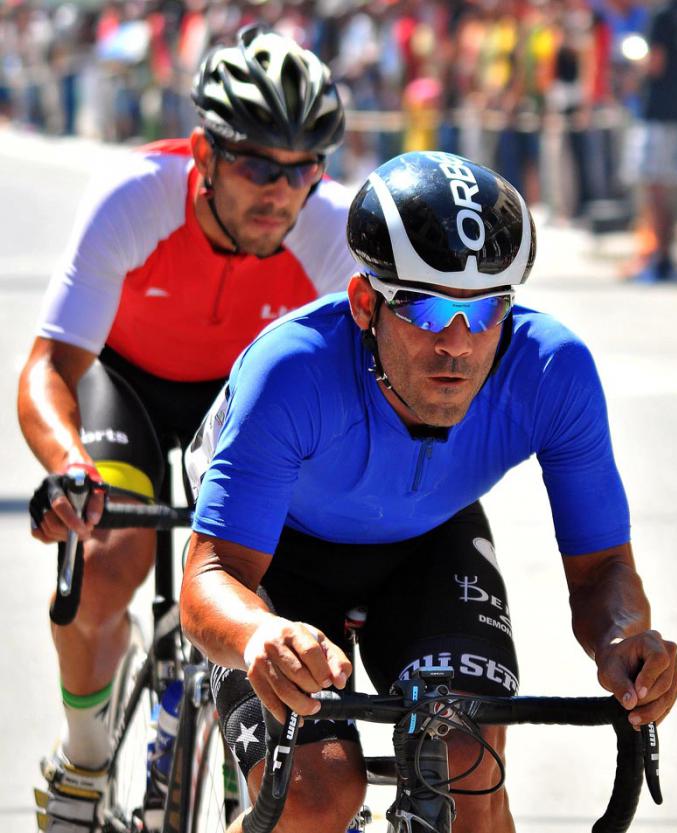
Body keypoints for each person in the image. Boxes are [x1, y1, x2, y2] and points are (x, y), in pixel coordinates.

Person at [181, 150, 677, 833]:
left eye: (485, 310)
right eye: (425, 306)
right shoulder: (292, 371)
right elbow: (213, 573)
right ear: (366, 303)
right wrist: (257, 633)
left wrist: (623, 641)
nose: (457, 343)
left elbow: (602, 571)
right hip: (277, 554)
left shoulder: (552, 371)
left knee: (469, 773)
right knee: (314, 797)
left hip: (426, 542)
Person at [20, 25, 356, 833]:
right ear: (204, 152)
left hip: (248, 405)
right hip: (129, 386)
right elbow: (48, 368)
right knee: (106, 559)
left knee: (270, 579)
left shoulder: (329, 229)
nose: (281, 193)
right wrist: (70, 466)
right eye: (257, 166)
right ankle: (83, 758)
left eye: (303, 169)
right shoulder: (135, 197)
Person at [633, 0, 677, 282]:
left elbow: (655, 63)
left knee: (656, 185)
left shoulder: (663, 15)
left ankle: (662, 259)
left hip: (662, 111)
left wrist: (636, 72)